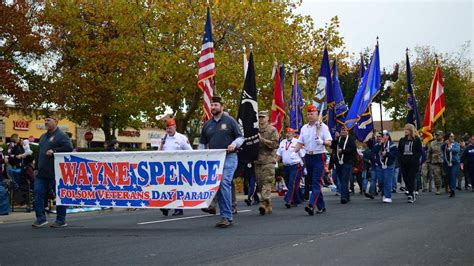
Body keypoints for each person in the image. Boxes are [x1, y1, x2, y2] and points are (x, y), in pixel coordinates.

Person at [199, 96, 244, 228]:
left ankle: (227, 216)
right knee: (218, 185)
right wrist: (201, 156)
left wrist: (233, 144)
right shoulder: (208, 124)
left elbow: (241, 137)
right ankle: (225, 214)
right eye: (212, 105)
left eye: (216, 105)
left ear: (222, 106)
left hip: (229, 157)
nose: (213, 107)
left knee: (224, 181)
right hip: (214, 160)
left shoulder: (230, 121)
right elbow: (202, 144)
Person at [32, 115, 73, 228]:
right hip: (41, 172)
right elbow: (38, 152)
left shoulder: (61, 135)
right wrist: (36, 168)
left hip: (55, 172)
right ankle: (40, 219)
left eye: (48, 120)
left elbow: (69, 148)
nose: (46, 122)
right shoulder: (43, 136)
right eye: (45, 120)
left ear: (56, 121)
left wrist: (55, 151)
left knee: (59, 195)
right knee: (38, 193)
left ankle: (61, 220)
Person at [293, 105, 332, 215]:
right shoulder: (304, 128)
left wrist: (322, 142)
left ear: (317, 114)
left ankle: (311, 205)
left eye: (312, 114)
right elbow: (300, 143)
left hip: (319, 156)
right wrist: (293, 152)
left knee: (316, 181)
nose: (310, 116)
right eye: (308, 114)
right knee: (313, 182)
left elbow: (329, 142)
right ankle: (321, 206)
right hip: (308, 157)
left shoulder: (322, 127)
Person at [159, 117, 192, 216]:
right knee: (166, 187)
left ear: (175, 127)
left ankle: (178, 208)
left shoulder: (181, 138)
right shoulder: (164, 138)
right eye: (167, 128)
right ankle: (166, 206)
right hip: (166, 166)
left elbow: (190, 152)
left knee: (177, 188)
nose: (168, 130)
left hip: (178, 166)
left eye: (170, 128)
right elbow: (159, 152)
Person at [254, 110, 279, 215]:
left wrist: (262, 140)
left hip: (268, 161)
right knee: (260, 185)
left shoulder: (272, 130)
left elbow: (275, 145)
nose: (261, 119)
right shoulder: (255, 130)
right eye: (259, 117)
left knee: (266, 183)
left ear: (268, 118)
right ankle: (268, 203)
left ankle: (263, 203)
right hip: (257, 161)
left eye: (263, 117)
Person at [276, 127, 305, 208]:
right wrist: (275, 162)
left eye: (290, 133)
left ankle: (289, 200)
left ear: (293, 134)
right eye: (287, 133)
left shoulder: (297, 142)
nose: (288, 134)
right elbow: (279, 154)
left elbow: (302, 155)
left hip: (295, 165)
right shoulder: (282, 142)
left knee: (292, 182)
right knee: (290, 184)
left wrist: (305, 167)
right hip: (286, 166)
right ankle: (298, 199)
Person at [331, 126, 357, 204]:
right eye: (342, 130)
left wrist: (343, 151)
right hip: (338, 163)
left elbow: (353, 150)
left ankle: (343, 197)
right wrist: (335, 139)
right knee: (339, 179)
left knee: (344, 179)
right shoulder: (338, 139)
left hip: (347, 162)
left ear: (347, 131)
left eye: (344, 130)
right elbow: (332, 147)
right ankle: (347, 195)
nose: (343, 132)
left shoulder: (350, 140)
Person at [398, 124, 423, 203]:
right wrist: (401, 159)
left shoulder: (417, 140)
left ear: (411, 130)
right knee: (405, 178)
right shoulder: (402, 140)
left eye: (407, 129)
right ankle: (410, 191)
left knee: (411, 178)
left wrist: (414, 158)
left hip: (413, 163)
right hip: (404, 163)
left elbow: (419, 151)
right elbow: (399, 151)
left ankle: (411, 195)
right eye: (405, 129)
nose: (405, 131)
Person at [373, 130, 398, 203]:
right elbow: (374, 151)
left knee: (387, 180)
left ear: (387, 136)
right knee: (380, 181)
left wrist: (387, 153)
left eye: (384, 135)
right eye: (381, 136)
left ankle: (388, 196)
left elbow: (394, 155)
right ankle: (383, 193)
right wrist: (380, 144)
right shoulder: (377, 144)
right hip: (380, 165)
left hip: (389, 165)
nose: (382, 137)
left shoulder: (392, 145)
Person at [442, 132, 461, 198]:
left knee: (453, 175)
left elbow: (457, 150)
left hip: (455, 163)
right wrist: (446, 144)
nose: (452, 137)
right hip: (447, 163)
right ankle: (451, 187)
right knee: (448, 177)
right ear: (448, 137)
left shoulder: (456, 144)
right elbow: (442, 148)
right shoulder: (445, 144)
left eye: (453, 136)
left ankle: (452, 190)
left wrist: (450, 148)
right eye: (451, 136)